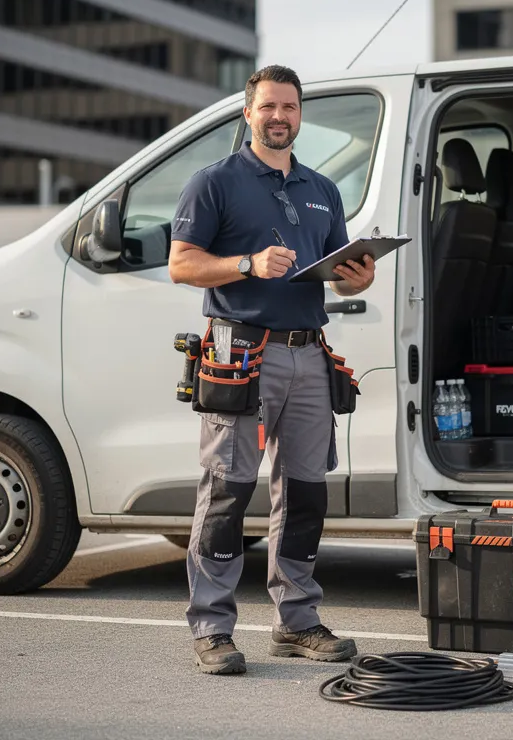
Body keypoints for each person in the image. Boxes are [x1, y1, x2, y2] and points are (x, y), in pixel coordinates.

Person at [167, 64, 376, 675]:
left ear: (300, 115)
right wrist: (247, 264)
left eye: (289, 107)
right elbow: (182, 264)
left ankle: (298, 622)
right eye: (268, 107)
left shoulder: (322, 188)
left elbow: (336, 267)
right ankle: (211, 628)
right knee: (228, 491)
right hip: (240, 350)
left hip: (309, 350)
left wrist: (356, 275)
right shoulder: (214, 183)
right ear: (247, 112)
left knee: (306, 492)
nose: (279, 117)